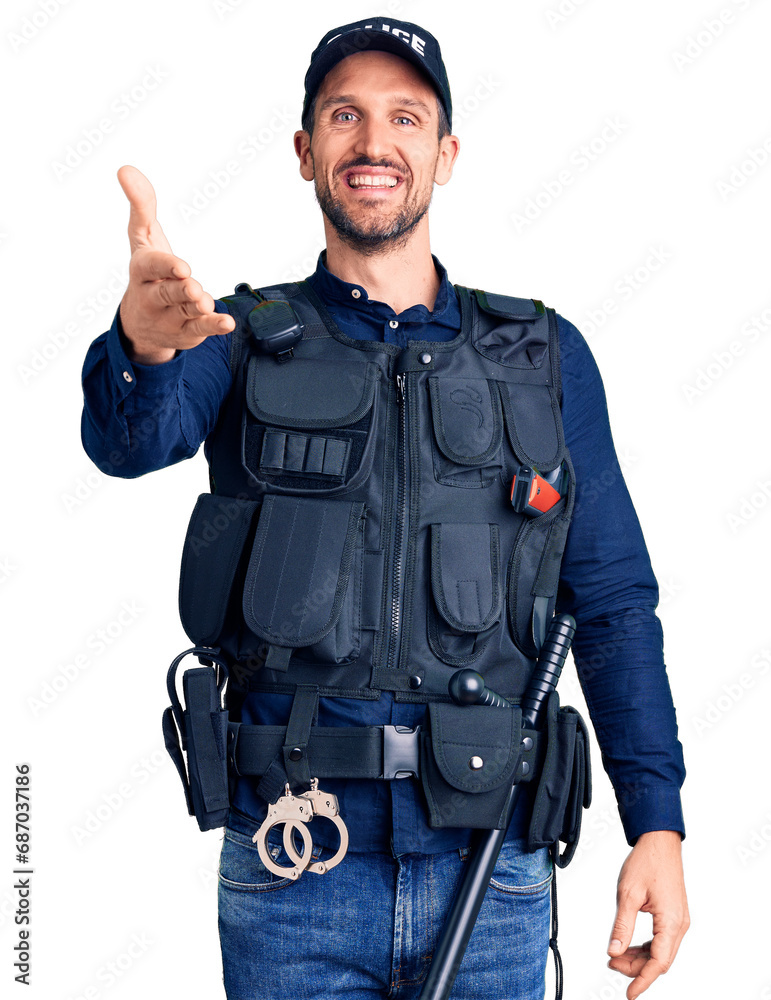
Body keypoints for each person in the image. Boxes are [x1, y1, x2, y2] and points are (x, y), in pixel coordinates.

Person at [81, 17, 689, 1000]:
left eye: (405, 118)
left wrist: (655, 822)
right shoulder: (231, 335)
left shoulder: (543, 356)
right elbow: (128, 445)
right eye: (344, 116)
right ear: (305, 150)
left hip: (492, 873)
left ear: (445, 154)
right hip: (294, 864)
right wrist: (143, 345)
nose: (374, 142)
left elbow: (613, 600)